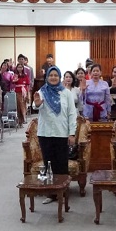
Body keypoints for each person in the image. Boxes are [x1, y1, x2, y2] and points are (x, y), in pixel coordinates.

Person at [33, 66, 77, 204]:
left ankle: (63, 192)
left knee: (61, 164)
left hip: (61, 133)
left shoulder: (66, 93)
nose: (53, 77)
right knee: (48, 164)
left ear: (59, 77)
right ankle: (51, 193)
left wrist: (72, 134)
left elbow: (72, 114)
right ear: (47, 77)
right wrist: (37, 103)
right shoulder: (42, 91)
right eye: (50, 75)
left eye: (55, 75)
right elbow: (36, 105)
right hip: (45, 133)